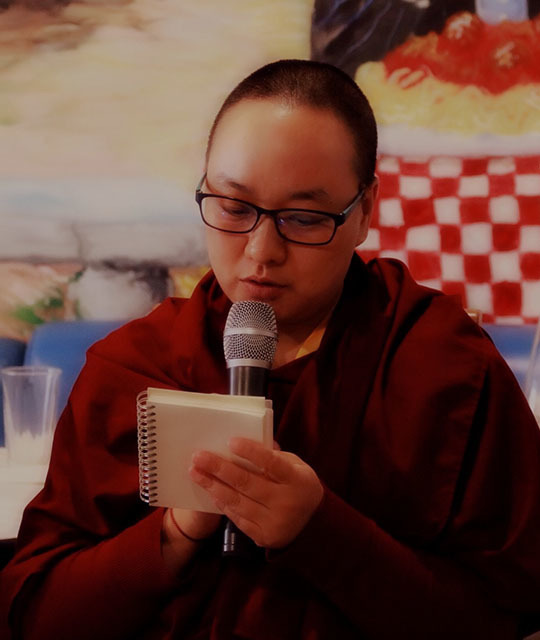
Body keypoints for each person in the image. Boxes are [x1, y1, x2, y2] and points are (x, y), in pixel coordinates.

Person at [1, 59, 540, 640]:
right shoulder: (135, 367)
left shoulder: (443, 365)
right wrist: (176, 532)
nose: (261, 251)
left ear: (364, 211)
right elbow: (35, 612)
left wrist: (322, 531)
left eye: (303, 219)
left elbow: (507, 613)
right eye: (234, 208)